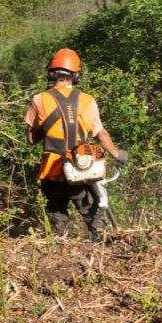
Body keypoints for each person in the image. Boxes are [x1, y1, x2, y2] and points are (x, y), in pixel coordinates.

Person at [25, 48, 128, 239]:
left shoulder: (39, 99)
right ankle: (102, 244)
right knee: (91, 211)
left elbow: (31, 139)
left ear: (51, 73)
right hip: (81, 165)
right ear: (76, 75)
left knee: (57, 212)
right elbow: (100, 133)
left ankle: (59, 247)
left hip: (52, 169)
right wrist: (116, 153)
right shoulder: (87, 100)